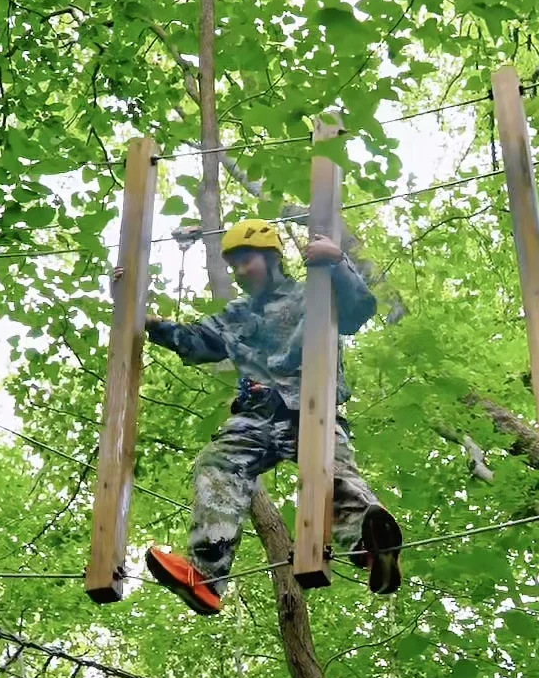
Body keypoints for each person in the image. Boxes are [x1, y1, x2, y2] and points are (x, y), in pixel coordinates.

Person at [143, 219, 402, 615]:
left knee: (332, 475)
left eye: (249, 261)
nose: (243, 272)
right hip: (257, 415)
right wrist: (148, 322)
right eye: (237, 266)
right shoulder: (237, 315)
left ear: (271, 257)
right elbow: (195, 341)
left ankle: (372, 547)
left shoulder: (311, 293)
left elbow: (356, 311)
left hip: (311, 405)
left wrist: (337, 262)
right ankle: (207, 576)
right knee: (218, 463)